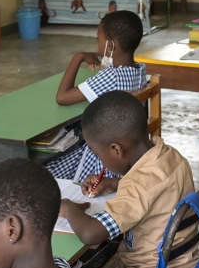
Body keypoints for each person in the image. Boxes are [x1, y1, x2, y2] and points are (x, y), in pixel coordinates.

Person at [59, 92, 196, 268]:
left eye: (100, 156)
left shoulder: (138, 186)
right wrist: (117, 183)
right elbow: (153, 190)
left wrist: (69, 208)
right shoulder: (170, 155)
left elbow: (91, 233)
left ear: (116, 149)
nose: (102, 163)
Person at [47, 10, 147, 191]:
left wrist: (78, 57)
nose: (97, 45)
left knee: (47, 170)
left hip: (102, 159)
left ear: (110, 45)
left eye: (98, 40)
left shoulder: (111, 77)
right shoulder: (139, 70)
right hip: (125, 148)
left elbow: (62, 97)